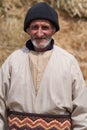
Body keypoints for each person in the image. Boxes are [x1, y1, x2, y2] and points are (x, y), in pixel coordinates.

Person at [0, 2, 87, 130]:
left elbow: (81, 111)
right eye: (35, 27)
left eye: (45, 27)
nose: (39, 33)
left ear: (53, 30)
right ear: (28, 30)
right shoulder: (13, 61)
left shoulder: (68, 62)